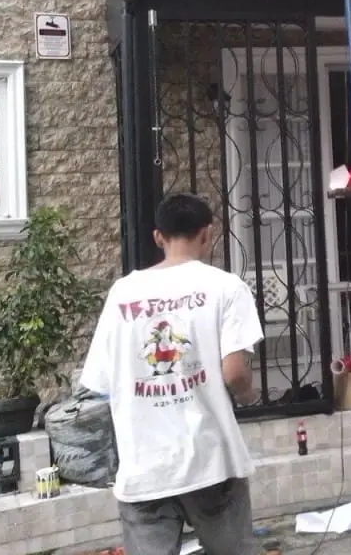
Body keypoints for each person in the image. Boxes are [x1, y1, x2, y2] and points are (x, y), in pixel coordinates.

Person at [79, 192, 264, 555]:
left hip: (144, 466)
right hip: (210, 459)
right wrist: (248, 396)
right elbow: (235, 373)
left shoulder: (122, 293)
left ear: (158, 238)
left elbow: (100, 382)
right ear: (208, 233)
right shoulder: (226, 287)